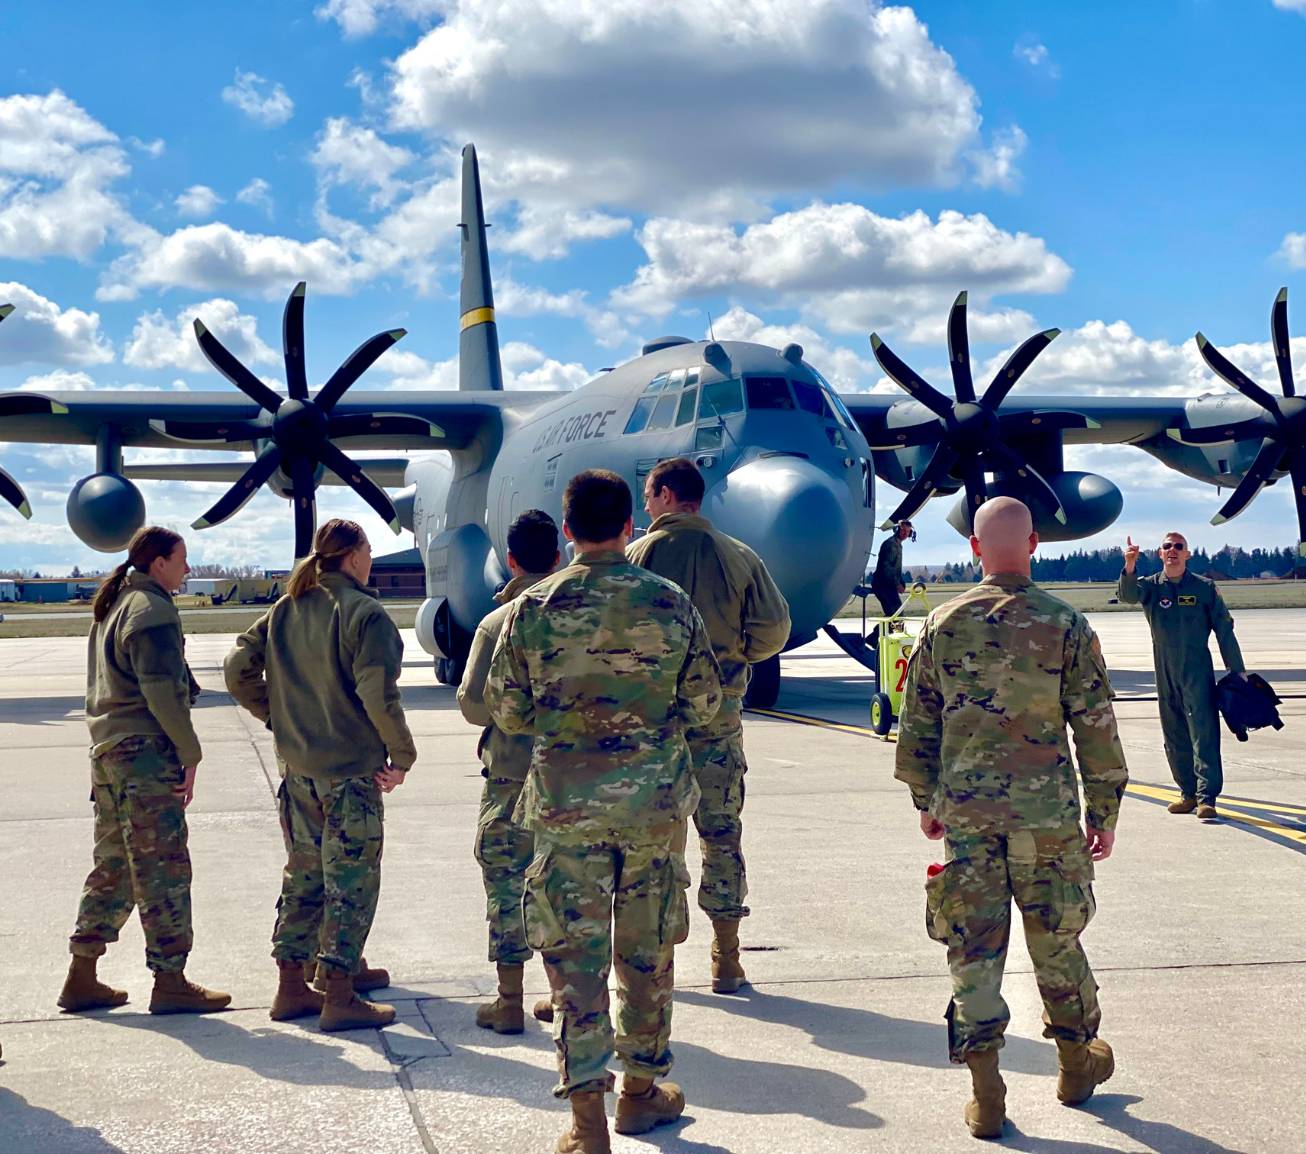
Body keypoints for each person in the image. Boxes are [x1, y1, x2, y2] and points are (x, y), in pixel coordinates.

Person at [486, 469, 722, 1154]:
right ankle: (640, 1096)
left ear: (566, 531)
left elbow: (506, 709)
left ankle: (587, 1124)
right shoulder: (669, 603)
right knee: (645, 956)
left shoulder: (534, 608)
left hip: (565, 812)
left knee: (574, 963)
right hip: (651, 813)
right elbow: (705, 704)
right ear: (628, 528)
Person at [895, 497, 1128, 1139]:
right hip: (1047, 817)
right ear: (1033, 545)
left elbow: (917, 726)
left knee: (973, 950)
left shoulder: (943, 623)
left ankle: (988, 1094)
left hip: (968, 817)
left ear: (974, 549)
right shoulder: (1065, 623)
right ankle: (1077, 1064)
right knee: (1057, 941)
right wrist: (1103, 810)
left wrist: (928, 801)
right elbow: (1096, 727)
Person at [225, 518, 415, 1032]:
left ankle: (292, 984)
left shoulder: (286, 607)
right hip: (351, 772)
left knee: (305, 875)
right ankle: (338, 992)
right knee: (352, 881)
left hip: (300, 769)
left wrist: (277, 716)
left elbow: (236, 669)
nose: (372, 560)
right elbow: (379, 694)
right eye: (369, 550)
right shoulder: (364, 614)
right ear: (352, 556)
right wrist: (401, 756)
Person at [626, 457, 790, 993]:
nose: (646, 506)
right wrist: (734, 657)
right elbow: (774, 628)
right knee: (721, 832)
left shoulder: (636, 558)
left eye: (649, 496)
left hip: (654, 722)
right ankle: (727, 956)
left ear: (670, 496)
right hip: (719, 717)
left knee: (656, 841)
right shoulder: (739, 556)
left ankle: (661, 954)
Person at [59, 526, 230, 1016]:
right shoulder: (151, 610)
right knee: (163, 869)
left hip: (109, 752)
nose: (188, 569)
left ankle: (82, 973)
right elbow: (161, 692)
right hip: (144, 754)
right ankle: (170, 979)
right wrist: (190, 753)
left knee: (113, 865)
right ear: (158, 562)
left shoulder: (116, 605)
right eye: (182, 560)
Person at [457, 509, 560, 1034]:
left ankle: (509, 1000)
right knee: (562, 891)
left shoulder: (498, 623)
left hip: (511, 778)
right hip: (569, 782)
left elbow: (473, 705)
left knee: (506, 887)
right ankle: (563, 998)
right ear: (559, 557)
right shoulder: (577, 617)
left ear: (512, 560)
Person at [1118, 531, 1245, 820]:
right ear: (1160, 554)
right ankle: (1187, 793)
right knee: (1174, 732)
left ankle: (1206, 797)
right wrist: (1129, 566)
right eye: (1167, 547)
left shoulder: (1204, 588)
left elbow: (1224, 629)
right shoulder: (1150, 586)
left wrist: (1237, 671)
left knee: (1203, 731)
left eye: (1178, 546)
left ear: (1187, 554)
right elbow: (1126, 596)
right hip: (1163, 665)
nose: (1172, 550)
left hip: (1197, 664)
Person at [871, 520, 913, 617]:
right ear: (897, 530)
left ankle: (881, 631)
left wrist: (901, 581)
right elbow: (887, 568)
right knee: (896, 617)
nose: (905, 534)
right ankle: (879, 632)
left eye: (908, 532)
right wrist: (897, 584)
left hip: (888, 586)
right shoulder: (891, 544)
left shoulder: (897, 544)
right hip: (883, 586)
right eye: (903, 531)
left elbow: (895, 568)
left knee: (895, 617)